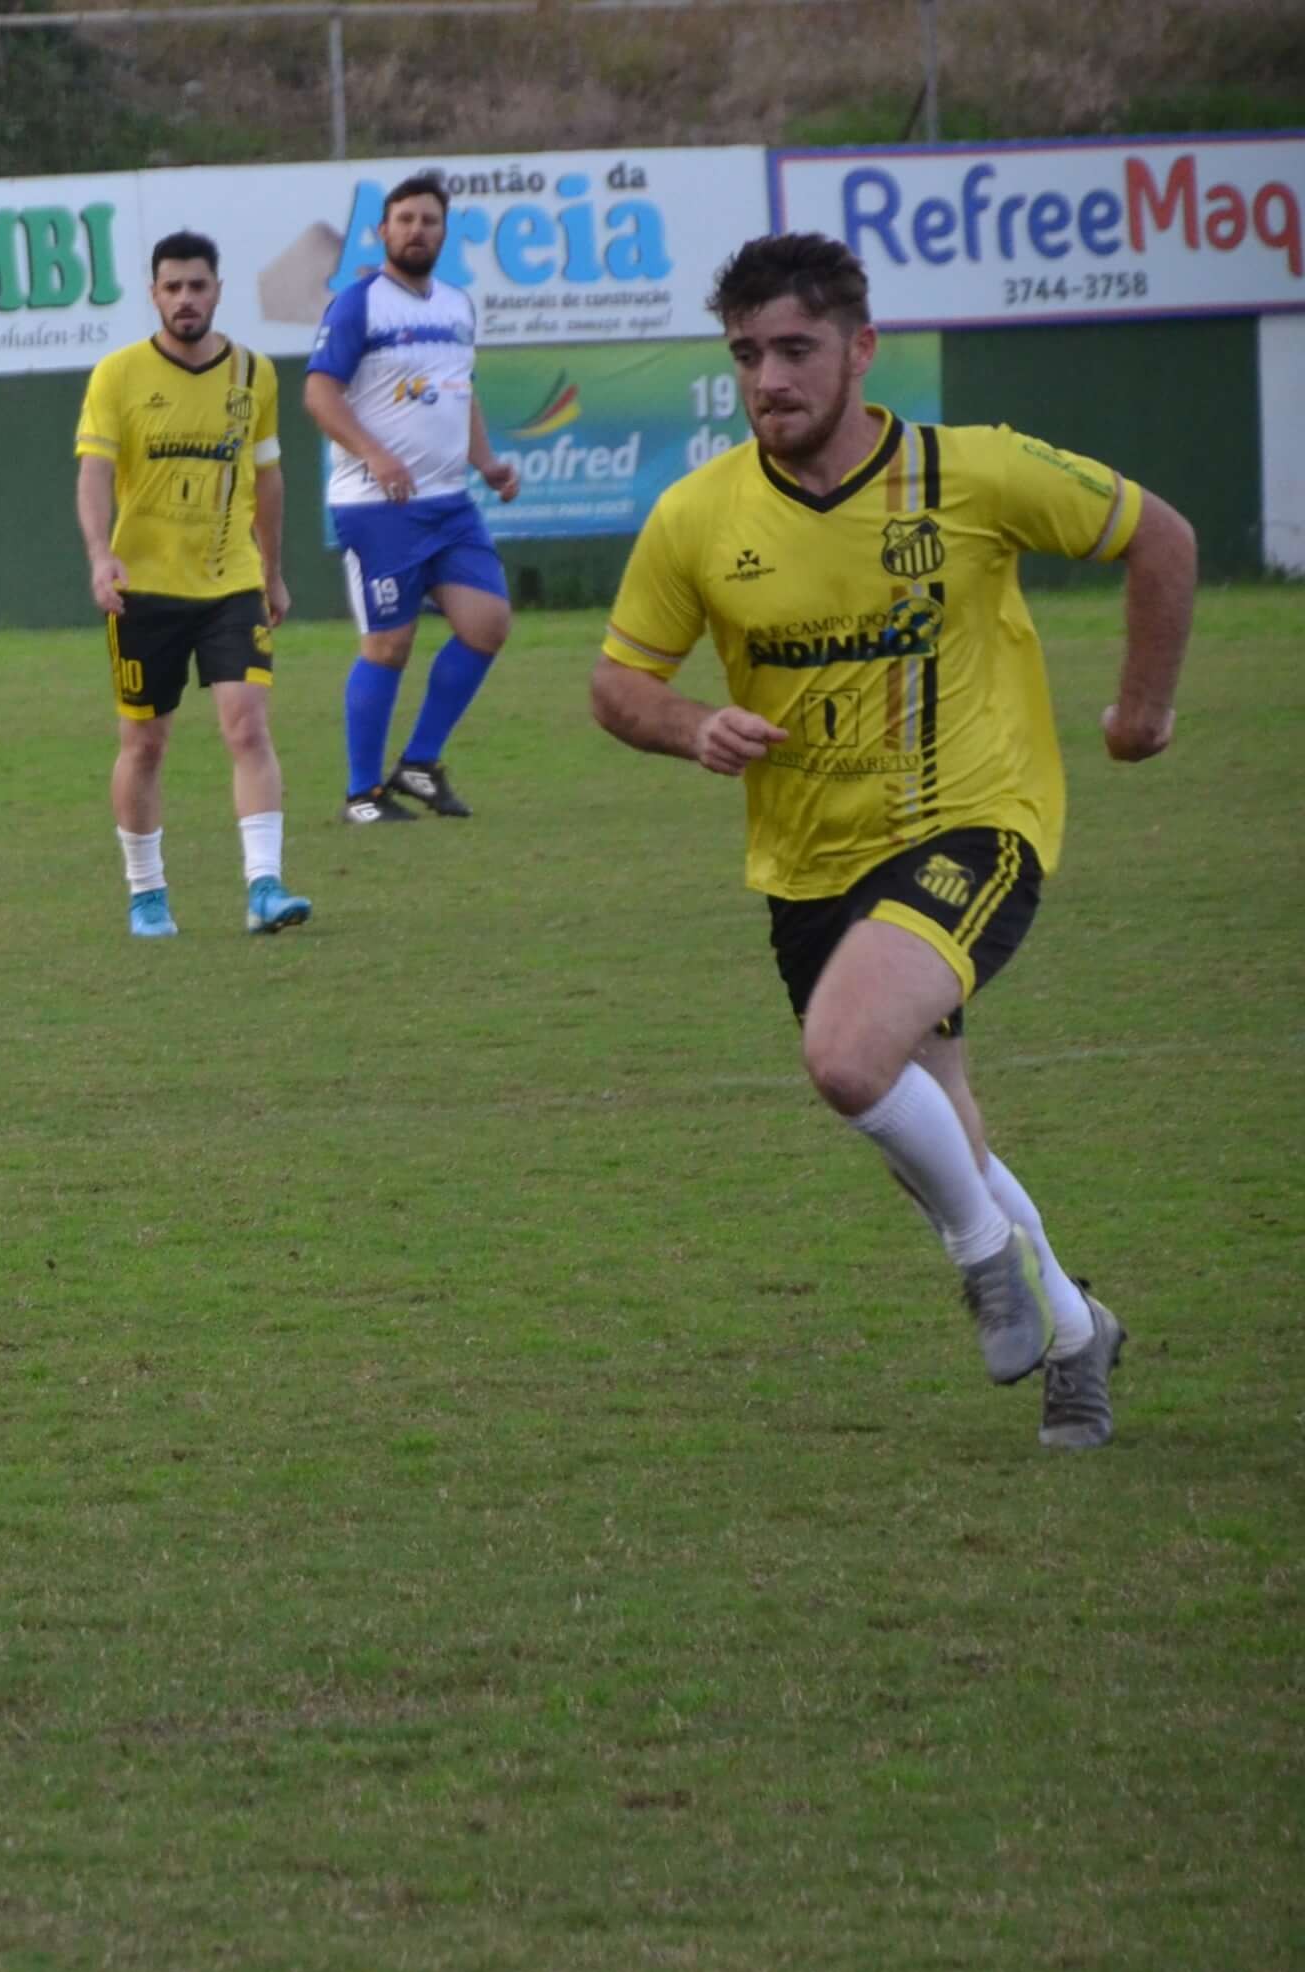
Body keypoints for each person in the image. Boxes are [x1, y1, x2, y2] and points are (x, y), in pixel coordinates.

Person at [590, 233, 1191, 1449]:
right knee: (943, 1129)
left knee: (849, 1060)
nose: (770, 379)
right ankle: (1077, 1331)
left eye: (797, 349)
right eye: (748, 354)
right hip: (810, 862)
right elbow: (617, 683)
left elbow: (1161, 539)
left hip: (978, 819)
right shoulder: (698, 515)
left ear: (864, 351)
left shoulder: (969, 474)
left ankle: (989, 1267)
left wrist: (1144, 710)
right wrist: (690, 721)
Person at [77, 230, 310, 940]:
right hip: (144, 586)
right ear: (154, 294)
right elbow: (92, 472)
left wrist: (270, 570)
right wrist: (99, 556)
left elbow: (267, 476)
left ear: (216, 290)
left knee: (247, 724)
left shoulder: (252, 375)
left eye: (198, 286)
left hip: (228, 581)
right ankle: (146, 893)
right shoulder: (118, 375)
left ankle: (263, 887)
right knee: (145, 744)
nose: (186, 299)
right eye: (172, 287)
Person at [304, 170, 522, 826]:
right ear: (383, 231)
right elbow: (320, 393)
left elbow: (461, 390)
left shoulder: (456, 305)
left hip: (449, 502)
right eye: (404, 220)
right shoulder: (358, 303)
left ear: (444, 232)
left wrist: (484, 461)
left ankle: (420, 764)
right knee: (387, 647)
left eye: (428, 220)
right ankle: (362, 794)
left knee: (487, 625)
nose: (416, 230)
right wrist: (374, 452)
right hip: (378, 508)